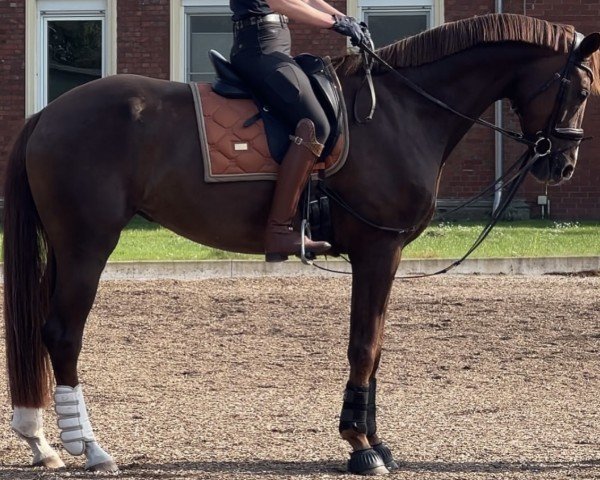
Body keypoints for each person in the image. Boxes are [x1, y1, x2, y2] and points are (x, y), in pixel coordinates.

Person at [229, 0, 367, 262]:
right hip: (260, 49)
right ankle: (279, 230)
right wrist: (335, 23)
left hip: (274, 47)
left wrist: (344, 18)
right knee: (314, 124)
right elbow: (280, 2)